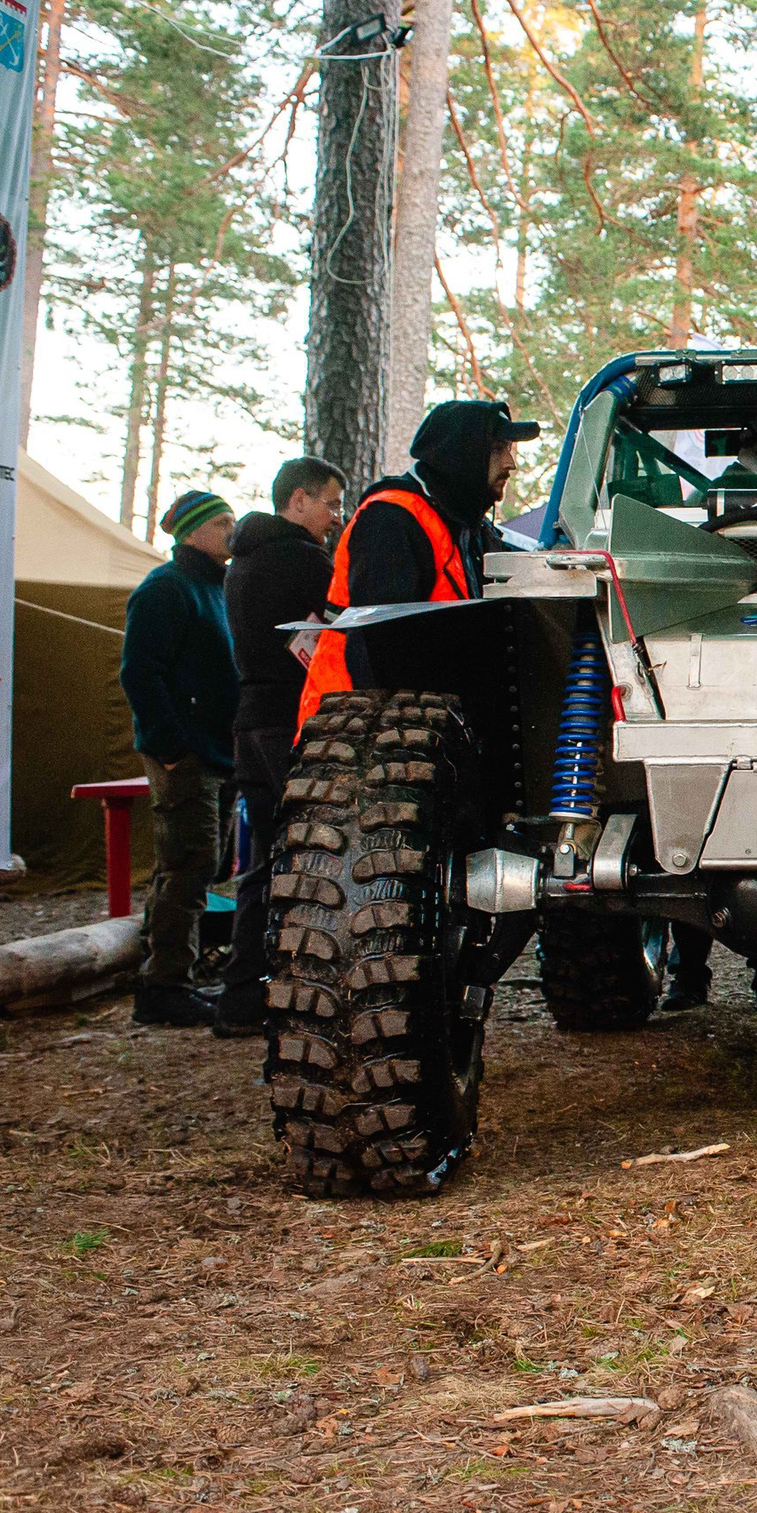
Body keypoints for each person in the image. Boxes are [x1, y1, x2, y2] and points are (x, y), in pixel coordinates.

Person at [297, 399, 536, 727]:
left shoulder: (471, 530)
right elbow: (383, 653)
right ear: (460, 454)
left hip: (422, 725)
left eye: (508, 448)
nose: (511, 463)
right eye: (497, 449)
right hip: (355, 728)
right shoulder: (391, 518)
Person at [213, 455, 346, 1038]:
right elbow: (345, 622)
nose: (336, 517)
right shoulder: (302, 559)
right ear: (298, 500)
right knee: (313, 858)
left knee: (261, 865)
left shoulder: (242, 560)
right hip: (290, 722)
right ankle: (304, 991)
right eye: (330, 504)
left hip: (249, 719)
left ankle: (242, 995)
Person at [118, 490, 240, 1025]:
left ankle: (161, 968)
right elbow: (140, 673)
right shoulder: (166, 588)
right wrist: (169, 747)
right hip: (185, 754)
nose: (233, 530)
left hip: (217, 750)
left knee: (199, 866)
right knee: (189, 867)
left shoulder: (219, 588)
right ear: (192, 532)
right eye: (222, 522)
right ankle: (164, 988)